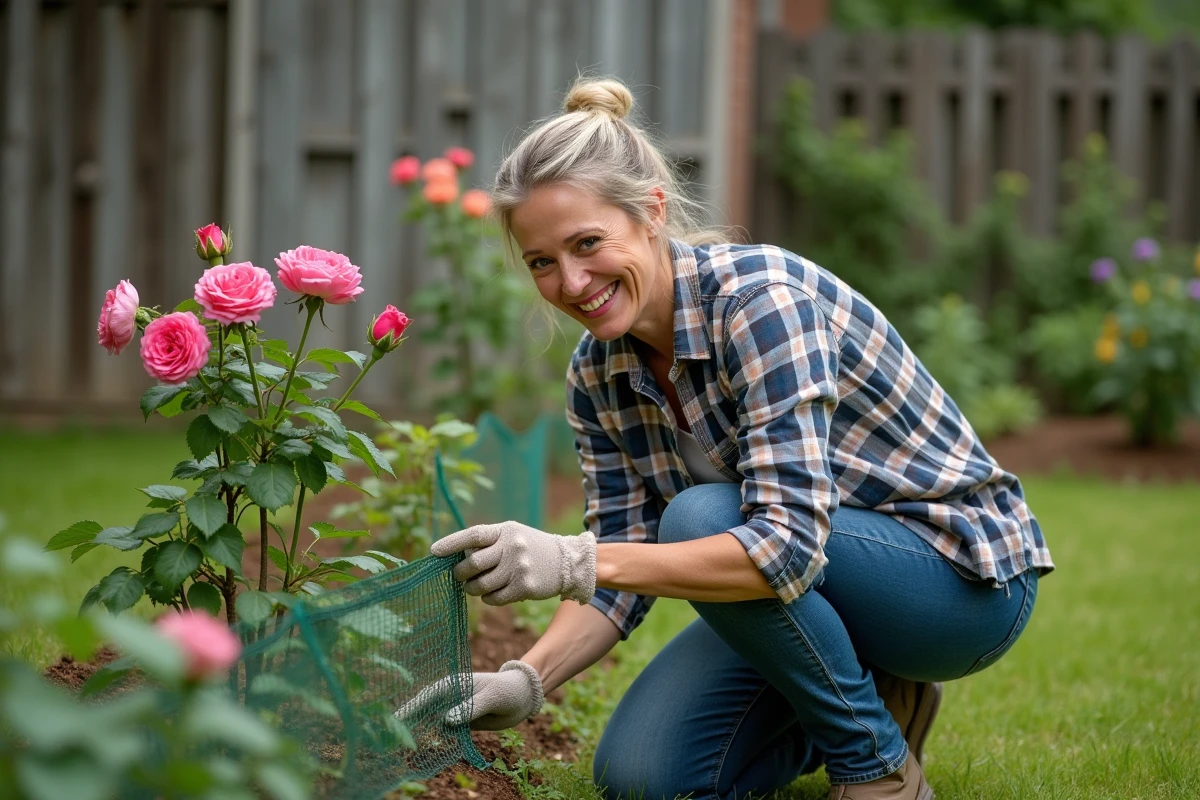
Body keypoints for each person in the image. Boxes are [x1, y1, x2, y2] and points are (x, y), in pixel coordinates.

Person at [427, 77, 1054, 800]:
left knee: (698, 518)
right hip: (815, 585)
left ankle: (876, 768)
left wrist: (572, 560)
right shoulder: (597, 374)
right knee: (642, 779)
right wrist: (527, 679)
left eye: (588, 243)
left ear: (652, 212)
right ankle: (880, 694)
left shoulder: (759, 305)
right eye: (542, 261)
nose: (571, 281)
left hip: (956, 583)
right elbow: (617, 568)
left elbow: (782, 549)